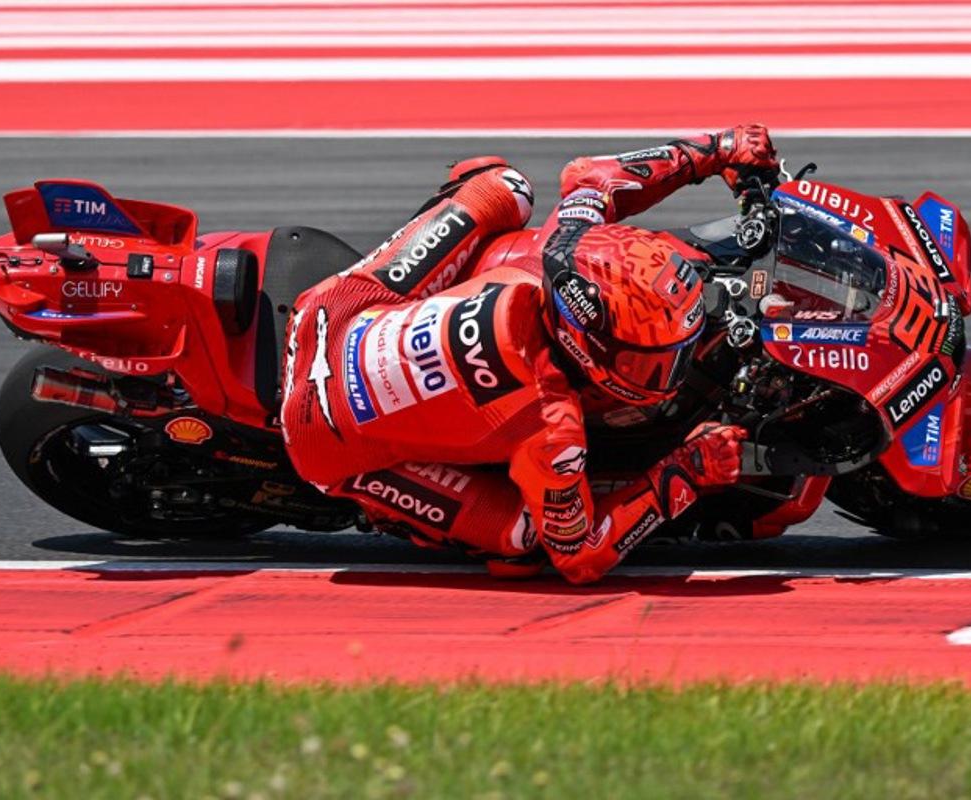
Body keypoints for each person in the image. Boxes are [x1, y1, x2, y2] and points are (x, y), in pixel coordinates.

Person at [281, 124, 780, 584]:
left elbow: (592, 175)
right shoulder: (552, 427)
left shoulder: (566, 238)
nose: (667, 372)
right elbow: (581, 556)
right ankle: (374, 504)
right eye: (647, 362)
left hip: (336, 310)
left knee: (504, 186)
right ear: (585, 346)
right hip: (321, 431)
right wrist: (685, 471)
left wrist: (715, 151)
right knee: (523, 543)